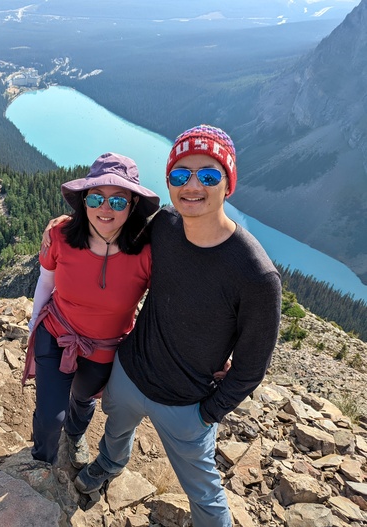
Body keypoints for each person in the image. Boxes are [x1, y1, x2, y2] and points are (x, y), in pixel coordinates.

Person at [42, 125, 282, 527]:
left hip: (187, 404)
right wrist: (66, 226)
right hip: (129, 372)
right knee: (115, 433)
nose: (192, 186)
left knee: (204, 494)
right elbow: (112, 234)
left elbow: (251, 367)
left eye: (208, 175)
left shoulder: (256, 275)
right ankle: (109, 466)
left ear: (229, 182)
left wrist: (209, 414)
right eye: (179, 175)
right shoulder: (165, 226)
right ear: (169, 182)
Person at [23, 152, 160, 469]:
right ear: (84, 200)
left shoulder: (148, 253)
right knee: (48, 416)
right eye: (96, 197)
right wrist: (33, 328)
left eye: (118, 201)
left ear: (133, 205)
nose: (105, 208)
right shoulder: (61, 235)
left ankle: (73, 436)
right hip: (56, 334)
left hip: (103, 351)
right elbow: (46, 283)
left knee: (82, 402)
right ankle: (42, 465)